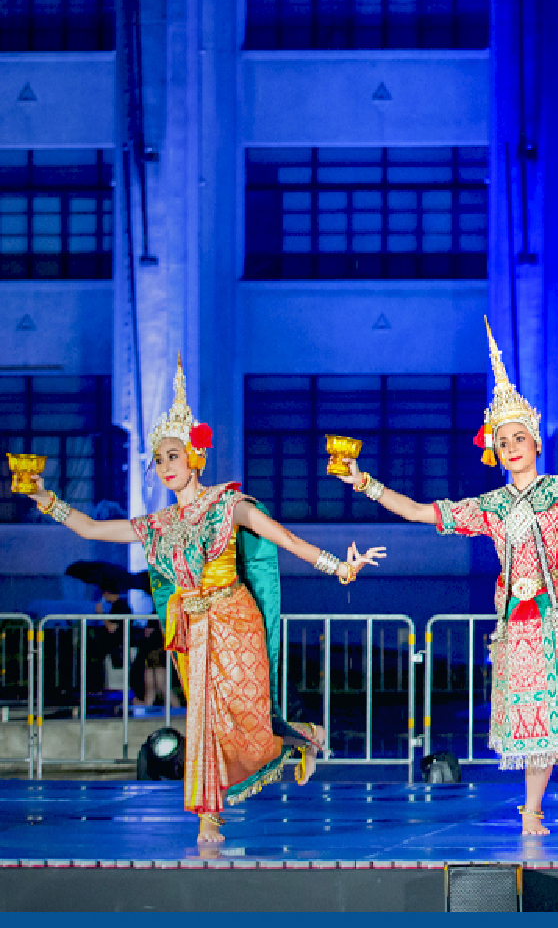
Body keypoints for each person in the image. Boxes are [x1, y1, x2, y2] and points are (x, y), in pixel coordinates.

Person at [337, 320, 558, 835]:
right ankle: (531, 811)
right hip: (518, 623)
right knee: (529, 722)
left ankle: (533, 810)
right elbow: (419, 512)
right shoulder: (490, 507)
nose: (511, 445)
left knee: (553, 718)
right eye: (502, 440)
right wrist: (364, 483)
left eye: (519, 436)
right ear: (495, 452)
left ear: (535, 441)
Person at [27, 358, 378, 843]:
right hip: (192, 628)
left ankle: (304, 736)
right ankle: (209, 818)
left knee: (249, 720)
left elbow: (287, 541)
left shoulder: (229, 505)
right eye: (159, 460)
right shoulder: (159, 525)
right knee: (205, 721)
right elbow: (90, 528)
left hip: (235, 620)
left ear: (194, 455)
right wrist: (46, 498)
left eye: (173, 455)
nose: (165, 467)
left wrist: (339, 566)